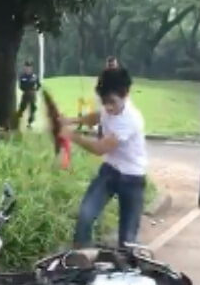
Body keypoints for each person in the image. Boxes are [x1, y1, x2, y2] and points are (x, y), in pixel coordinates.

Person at [59, 67, 147, 247]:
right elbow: (97, 117)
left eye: (112, 102)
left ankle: (127, 270)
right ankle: (82, 261)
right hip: (109, 172)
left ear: (126, 94)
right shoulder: (109, 104)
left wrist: (70, 135)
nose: (108, 107)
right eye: (104, 101)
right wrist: (71, 120)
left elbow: (100, 148)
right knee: (85, 215)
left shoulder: (131, 119)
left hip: (132, 178)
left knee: (127, 241)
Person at [17, 61, 41, 129]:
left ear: (31, 68)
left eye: (29, 68)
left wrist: (35, 89)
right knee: (22, 108)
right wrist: (26, 88)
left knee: (32, 109)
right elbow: (21, 86)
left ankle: (30, 123)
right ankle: (17, 120)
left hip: (33, 94)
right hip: (25, 94)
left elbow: (38, 85)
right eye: (26, 67)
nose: (27, 69)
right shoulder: (22, 76)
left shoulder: (34, 76)